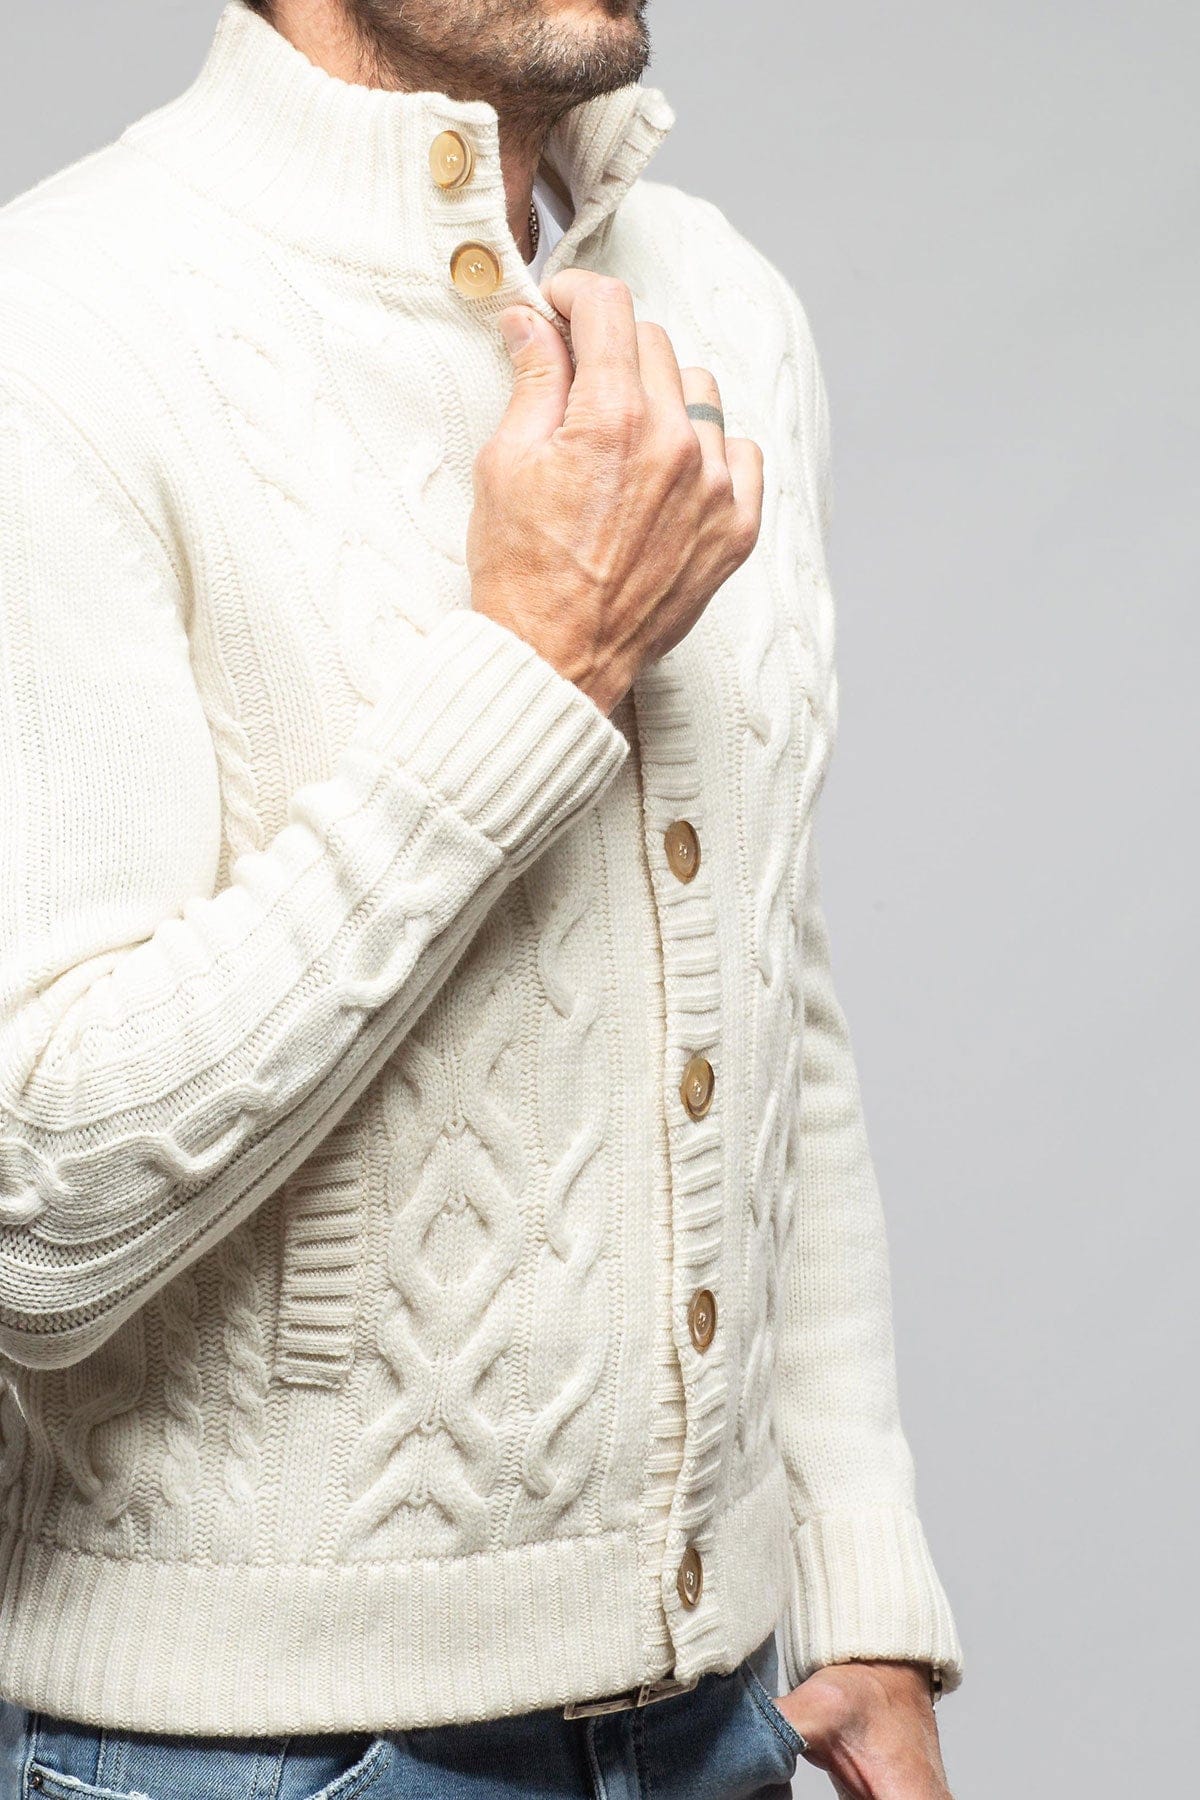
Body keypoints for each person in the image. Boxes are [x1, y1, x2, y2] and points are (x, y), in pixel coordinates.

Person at [0, 2, 963, 1795]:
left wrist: (863, 1602)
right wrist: (536, 664)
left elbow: (771, 987)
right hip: (241, 1754)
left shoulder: (726, 304)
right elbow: (30, 1217)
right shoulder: (54, 334)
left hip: (725, 1718)